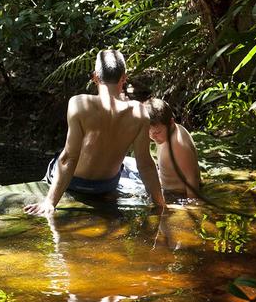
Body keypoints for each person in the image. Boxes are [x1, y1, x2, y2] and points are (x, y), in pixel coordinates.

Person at [24, 50, 165, 218]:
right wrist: (161, 204)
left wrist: (50, 202)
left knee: (60, 156)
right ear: (124, 78)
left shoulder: (79, 103)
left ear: (95, 77)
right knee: (129, 164)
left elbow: (69, 157)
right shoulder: (139, 112)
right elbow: (146, 165)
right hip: (105, 186)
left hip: (74, 183)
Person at [146, 98, 201, 198]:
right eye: (149, 132)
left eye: (157, 132)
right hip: (166, 188)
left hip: (177, 196)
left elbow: (192, 178)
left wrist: (192, 206)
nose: (153, 136)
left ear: (171, 122)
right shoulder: (164, 135)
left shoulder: (178, 145)